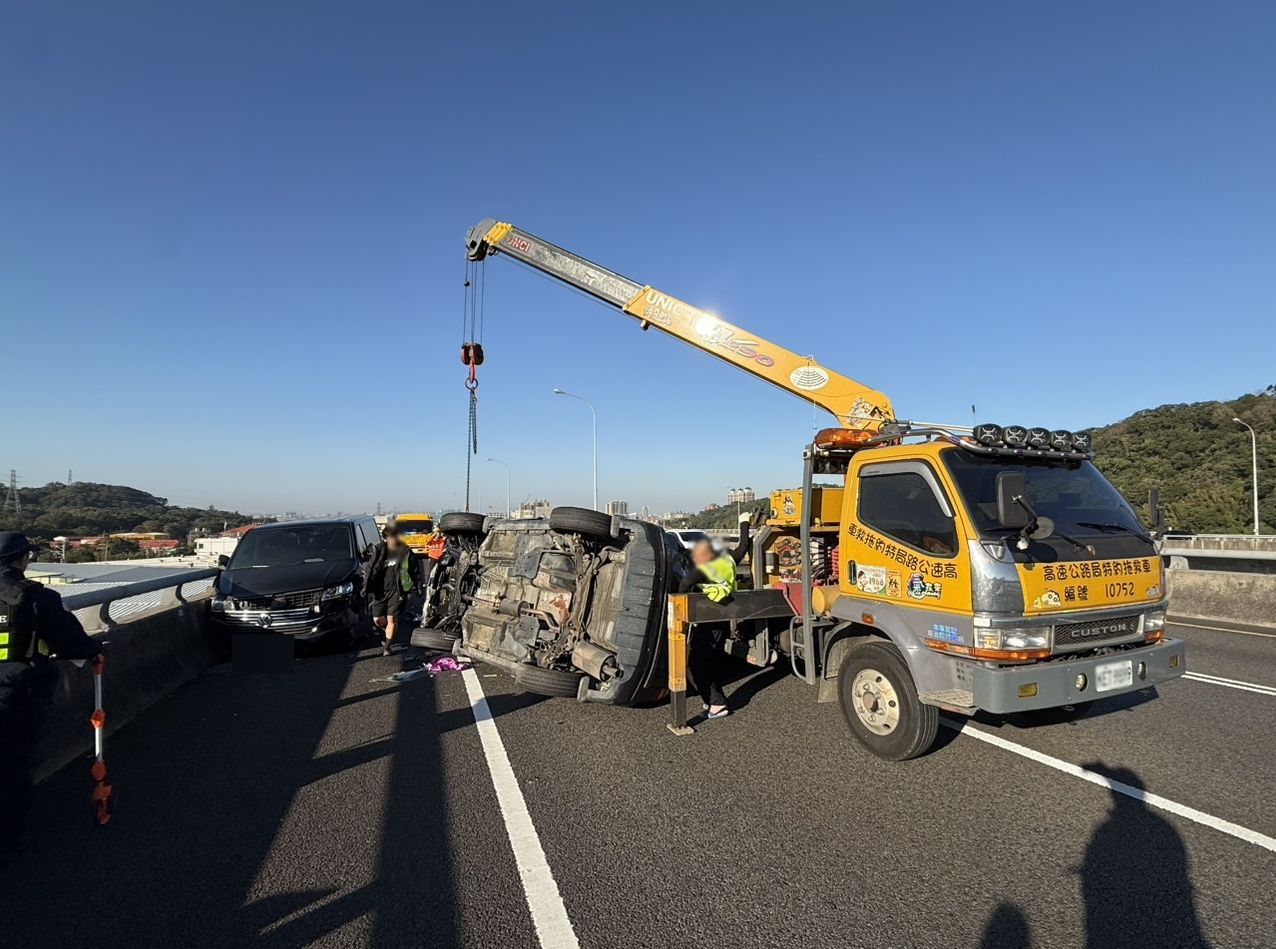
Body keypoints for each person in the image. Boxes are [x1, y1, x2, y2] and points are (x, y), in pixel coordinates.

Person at [0, 531, 101, 861]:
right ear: (23, 559)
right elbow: (71, 641)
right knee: (12, 765)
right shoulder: (35, 597)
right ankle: (8, 840)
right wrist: (93, 651)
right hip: (16, 691)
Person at [677, 515, 752, 720]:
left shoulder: (708, 568)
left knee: (696, 664)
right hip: (723, 619)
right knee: (708, 661)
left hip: (708, 620)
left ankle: (717, 703)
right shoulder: (729, 561)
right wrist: (744, 522)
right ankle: (712, 699)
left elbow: (686, 582)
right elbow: (743, 546)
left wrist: (677, 602)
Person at [363, 525, 424, 656]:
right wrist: (365, 587)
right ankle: (390, 630)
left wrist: (418, 587)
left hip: (398, 591)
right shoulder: (379, 551)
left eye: (395, 537)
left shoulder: (405, 551)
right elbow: (369, 570)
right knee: (377, 620)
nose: (393, 540)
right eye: (391, 537)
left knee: (391, 619)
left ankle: (387, 647)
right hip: (380, 591)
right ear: (385, 539)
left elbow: (416, 570)